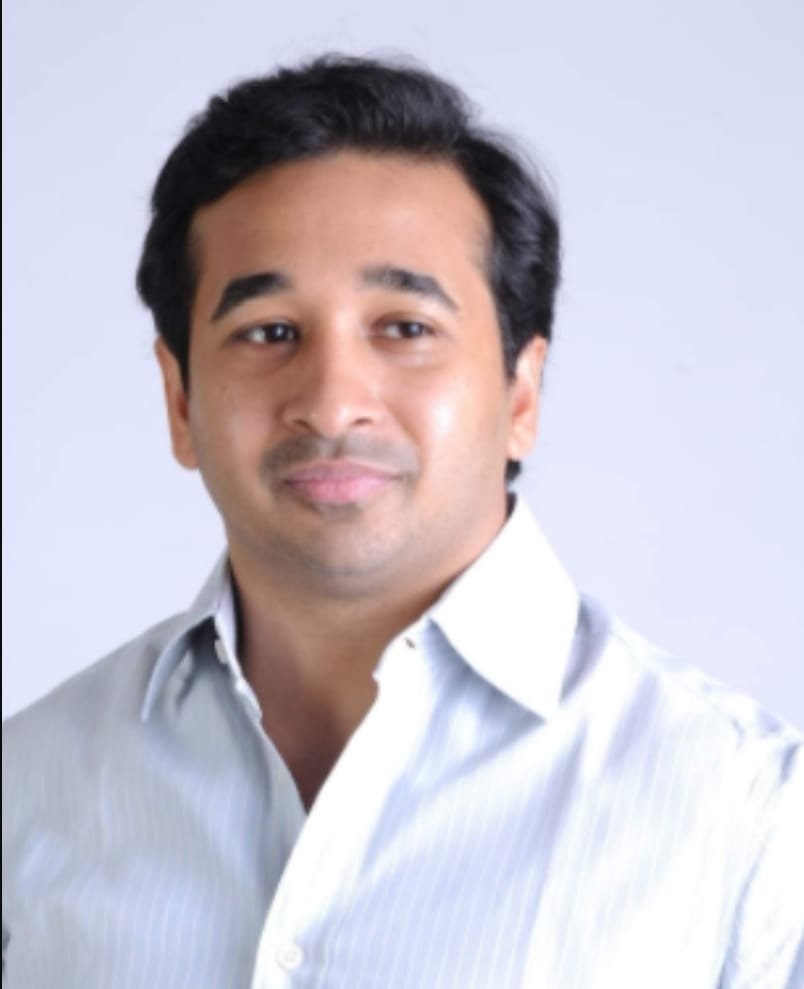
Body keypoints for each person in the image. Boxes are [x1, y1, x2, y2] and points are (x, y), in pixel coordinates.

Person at [3, 54, 802, 989]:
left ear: (521, 392)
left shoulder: (751, 818)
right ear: (180, 399)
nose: (332, 401)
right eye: (269, 332)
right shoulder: (27, 789)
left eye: (405, 328)